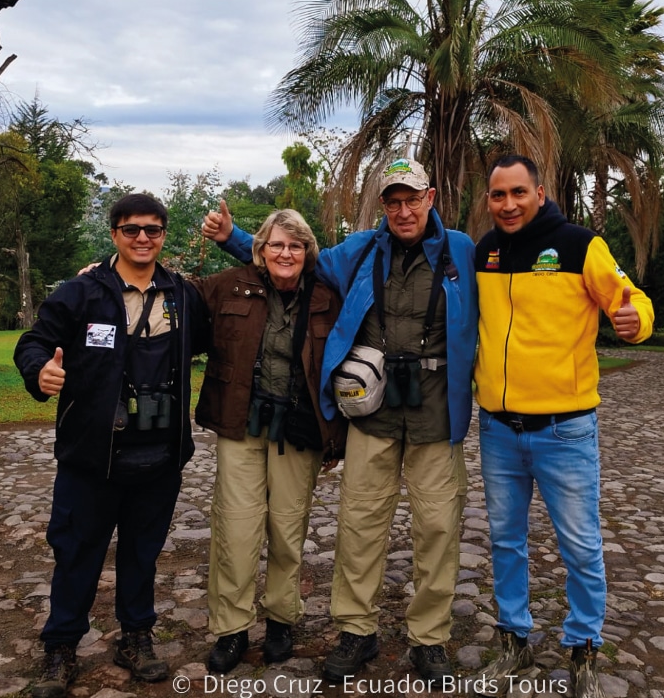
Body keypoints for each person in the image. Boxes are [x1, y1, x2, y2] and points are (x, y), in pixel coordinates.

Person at [202, 158, 478, 687]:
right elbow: (293, 262)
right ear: (383, 206)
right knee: (359, 525)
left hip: (437, 410)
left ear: (430, 198)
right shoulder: (360, 250)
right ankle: (356, 629)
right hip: (372, 412)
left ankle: (429, 637)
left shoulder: (462, 251)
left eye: (412, 199)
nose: (403, 211)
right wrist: (233, 237)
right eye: (393, 202)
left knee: (439, 527)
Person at [470, 155, 654, 698]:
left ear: (540, 192)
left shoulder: (579, 245)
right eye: (498, 195)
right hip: (499, 428)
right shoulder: (486, 252)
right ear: (489, 200)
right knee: (505, 541)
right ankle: (514, 641)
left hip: (565, 430)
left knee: (580, 546)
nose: (508, 204)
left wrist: (636, 322)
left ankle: (583, 650)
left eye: (518, 192)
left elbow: (634, 300)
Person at [14, 194, 209, 698]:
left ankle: (136, 637)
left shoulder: (183, 296)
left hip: (160, 454)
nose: (142, 238)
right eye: (131, 229)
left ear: (164, 234)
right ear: (114, 234)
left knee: (143, 554)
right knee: (77, 553)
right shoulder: (81, 293)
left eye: (152, 229)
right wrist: (40, 370)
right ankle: (60, 647)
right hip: (92, 455)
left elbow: (223, 328)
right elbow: (33, 342)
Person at [191, 209, 347, 673]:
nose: (285, 253)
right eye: (276, 244)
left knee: (287, 529)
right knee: (235, 529)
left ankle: (281, 619)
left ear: (307, 253)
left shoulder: (327, 296)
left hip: (298, 430)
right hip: (241, 425)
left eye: (295, 246)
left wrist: (335, 437)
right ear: (260, 249)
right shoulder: (229, 285)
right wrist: (107, 275)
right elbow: (175, 294)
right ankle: (232, 627)